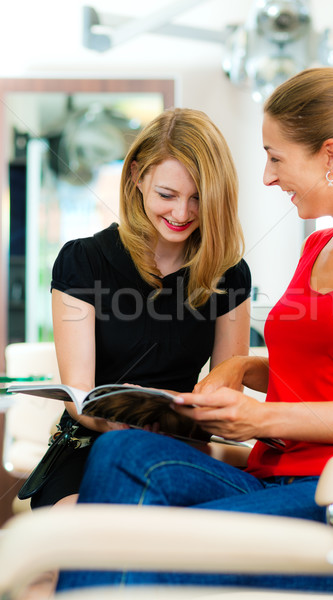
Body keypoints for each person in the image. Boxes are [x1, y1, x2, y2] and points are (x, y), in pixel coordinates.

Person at [56, 67, 333, 594]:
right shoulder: (316, 250)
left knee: (133, 551)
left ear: (331, 158)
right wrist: (241, 367)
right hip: (271, 475)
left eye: (276, 157)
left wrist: (266, 416)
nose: (266, 177)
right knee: (120, 457)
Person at [29, 107, 251, 509]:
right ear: (136, 176)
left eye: (198, 198)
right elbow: (78, 396)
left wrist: (188, 420)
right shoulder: (83, 261)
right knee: (83, 531)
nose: (182, 214)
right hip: (92, 443)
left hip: (182, 446)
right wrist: (115, 421)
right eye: (167, 195)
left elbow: (225, 393)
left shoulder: (229, 274)